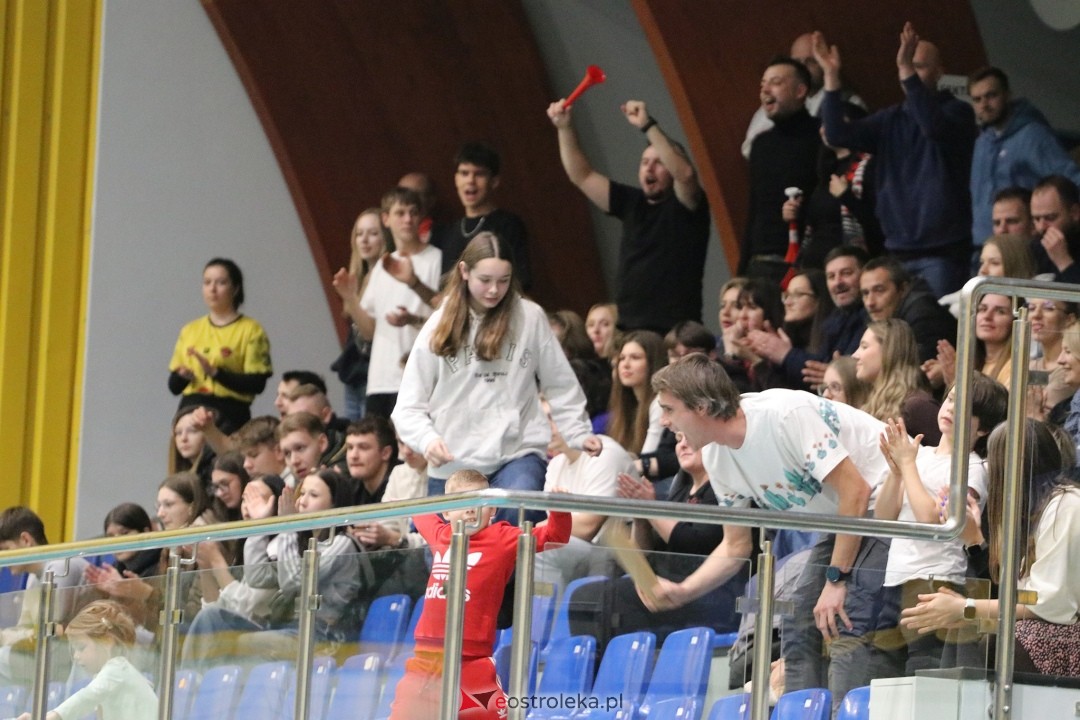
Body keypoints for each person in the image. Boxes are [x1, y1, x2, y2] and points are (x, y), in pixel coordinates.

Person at [644, 354, 894, 710]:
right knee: (797, 623)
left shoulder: (784, 416)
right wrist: (685, 590)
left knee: (844, 620)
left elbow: (856, 491)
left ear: (700, 406)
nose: (665, 422)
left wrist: (836, 580)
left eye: (669, 409)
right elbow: (735, 545)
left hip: (893, 508)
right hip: (841, 519)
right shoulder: (717, 456)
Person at [392, 233, 601, 524]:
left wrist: (577, 432)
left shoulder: (529, 317)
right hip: (455, 462)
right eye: (485, 280)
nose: (494, 290)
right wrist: (427, 441)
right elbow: (407, 406)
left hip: (517, 452)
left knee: (517, 520)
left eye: (503, 280)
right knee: (451, 561)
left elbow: (560, 383)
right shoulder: (439, 325)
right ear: (464, 272)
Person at [901, 420, 1080, 677]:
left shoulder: (1066, 505)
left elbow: (1049, 604)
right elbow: (1025, 597)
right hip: (1045, 629)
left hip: (1065, 638)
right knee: (963, 630)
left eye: (992, 460)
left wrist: (969, 608)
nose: (988, 468)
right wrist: (970, 610)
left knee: (1003, 638)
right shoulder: (1032, 513)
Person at [388, 469, 571, 720]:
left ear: (493, 509)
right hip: (424, 659)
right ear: (446, 511)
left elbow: (556, 537)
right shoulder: (439, 533)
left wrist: (560, 509)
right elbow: (417, 509)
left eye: (480, 501)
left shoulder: (502, 537)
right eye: (463, 501)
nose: (472, 508)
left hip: (472, 660)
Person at [815, 24, 977, 298]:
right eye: (907, 66)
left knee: (934, 331)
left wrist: (906, 72)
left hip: (944, 251)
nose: (911, 72)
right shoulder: (889, 119)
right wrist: (831, 77)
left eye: (919, 67)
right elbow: (836, 133)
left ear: (939, 72)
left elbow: (932, 127)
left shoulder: (958, 112)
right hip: (898, 251)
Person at [569, 434, 749, 656]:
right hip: (669, 583)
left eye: (688, 437)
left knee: (602, 599)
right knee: (586, 594)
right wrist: (641, 516)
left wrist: (650, 507)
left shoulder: (723, 489)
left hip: (711, 592)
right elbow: (646, 552)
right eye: (678, 438)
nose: (682, 444)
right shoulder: (680, 489)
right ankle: (594, 676)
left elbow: (692, 541)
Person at [876, 374, 1007, 673]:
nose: (950, 409)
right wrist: (898, 471)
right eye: (950, 399)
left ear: (983, 428)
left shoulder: (973, 467)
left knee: (923, 671)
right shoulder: (918, 455)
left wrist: (906, 466)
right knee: (887, 674)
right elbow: (884, 517)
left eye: (965, 408)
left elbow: (932, 521)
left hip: (936, 579)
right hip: (895, 577)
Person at [547, 97, 709, 333]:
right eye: (644, 162)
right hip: (629, 329)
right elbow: (581, 176)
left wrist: (647, 125)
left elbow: (684, 174)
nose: (649, 168)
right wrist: (564, 128)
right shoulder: (632, 202)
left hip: (674, 331)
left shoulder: (687, 205)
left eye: (659, 162)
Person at [236, 469, 369, 660]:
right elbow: (257, 577)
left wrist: (288, 528)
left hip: (324, 635)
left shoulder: (342, 543)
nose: (302, 501)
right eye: (302, 493)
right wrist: (260, 525)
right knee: (213, 619)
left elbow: (295, 581)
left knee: (242, 643)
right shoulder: (299, 544)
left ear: (334, 504)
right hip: (290, 629)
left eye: (313, 495)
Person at [334, 187, 442, 419]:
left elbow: (445, 314)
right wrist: (351, 298)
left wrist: (412, 319)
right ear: (386, 219)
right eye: (400, 213)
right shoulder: (382, 267)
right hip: (380, 380)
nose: (407, 219)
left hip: (418, 375)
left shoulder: (436, 258)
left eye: (413, 213)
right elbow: (369, 332)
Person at [179, 474, 286, 669]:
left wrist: (217, 560)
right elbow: (216, 608)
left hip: (268, 632)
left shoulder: (282, 547)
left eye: (257, 498)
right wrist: (205, 565)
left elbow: (249, 607)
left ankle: (191, 687)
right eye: (245, 499)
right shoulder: (244, 548)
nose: (248, 505)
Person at [968, 67, 1080, 251]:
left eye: (991, 96)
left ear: (1007, 95)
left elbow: (1071, 181)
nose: (984, 104)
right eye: (977, 99)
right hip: (984, 246)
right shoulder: (982, 142)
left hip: (1023, 247)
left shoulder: (1033, 136)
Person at [167, 258, 272, 433]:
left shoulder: (251, 330)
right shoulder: (190, 330)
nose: (212, 289)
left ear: (236, 288)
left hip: (230, 413)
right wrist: (182, 376)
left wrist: (217, 374)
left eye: (221, 283)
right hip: (190, 410)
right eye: (207, 282)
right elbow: (173, 387)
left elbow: (257, 384)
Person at [741, 56, 822, 280]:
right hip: (760, 262)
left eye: (775, 82)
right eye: (762, 85)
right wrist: (742, 270)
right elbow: (754, 208)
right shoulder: (760, 144)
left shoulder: (820, 137)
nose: (765, 90)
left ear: (800, 91)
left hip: (805, 261)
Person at [16, 600, 157, 720]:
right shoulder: (112, 674)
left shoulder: (117, 669)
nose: (76, 656)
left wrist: (50, 717)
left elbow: (87, 697)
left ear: (107, 641)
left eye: (81, 647)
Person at [0, 507, 91, 683]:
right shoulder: (33, 578)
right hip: (50, 656)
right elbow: (27, 629)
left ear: (26, 540)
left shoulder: (60, 567)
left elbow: (52, 632)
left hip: (74, 658)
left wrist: (4, 638)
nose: (2, 558)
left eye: (5, 549)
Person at [741, 32, 865, 159]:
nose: (803, 67)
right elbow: (749, 149)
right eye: (797, 62)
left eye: (810, 61)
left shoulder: (849, 101)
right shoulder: (776, 102)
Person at [434, 142, 532, 290]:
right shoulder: (449, 232)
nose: (470, 181)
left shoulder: (508, 225)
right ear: (456, 179)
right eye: (464, 173)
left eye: (479, 174)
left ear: (494, 181)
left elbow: (520, 280)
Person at [331, 208, 389, 420]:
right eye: (359, 233)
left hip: (374, 374)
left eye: (373, 233)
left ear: (386, 237)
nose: (364, 240)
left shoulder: (389, 275)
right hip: (355, 373)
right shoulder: (359, 276)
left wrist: (351, 298)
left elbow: (371, 334)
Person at [743, 268, 836, 388]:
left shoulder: (830, 337)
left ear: (819, 300)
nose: (787, 302)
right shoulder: (787, 338)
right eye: (786, 295)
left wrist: (785, 355)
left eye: (798, 294)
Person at [853, 320, 941, 445]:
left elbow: (944, 459)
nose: (855, 355)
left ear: (888, 351)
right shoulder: (870, 404)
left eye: (864, 346)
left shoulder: (917, 406)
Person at [605, 330, 675, 490]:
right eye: (622, 358)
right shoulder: (626, 406)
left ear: (653, 363)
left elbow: (646, 458)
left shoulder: (660, 402)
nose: (625, 364)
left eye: (635, 358)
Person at [859, 257, 957, 363]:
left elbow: (917, 373)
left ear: (903, 289)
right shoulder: (877, 314)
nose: (870, 302)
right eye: (865, 293)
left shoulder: (923, 317)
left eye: (879, 290)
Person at [800, 246, 871, 388]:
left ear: (864, 276)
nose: (838, 282)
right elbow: (817, 371)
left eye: (846, 273)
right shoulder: (833, 320)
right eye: (831, 276)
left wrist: (784, 355)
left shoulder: (871, 319)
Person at [1027, 298, 1078, 421]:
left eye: (1048, 308)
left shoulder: (1071, 372)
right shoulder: (1031, 365)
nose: (1036, 315)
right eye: (1032, 308)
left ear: (1069, 319)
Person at [1031, 175, 1080, 283]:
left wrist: (1063, 261)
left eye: (1050, 218)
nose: (1041, 227)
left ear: (1074, 213)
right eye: (1036, 219)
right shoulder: (1035, 247)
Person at [233, 415, 296, 489]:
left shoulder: (298, 488)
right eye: (244, 458)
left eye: (253, 455)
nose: (246, 465)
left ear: (280, 451)